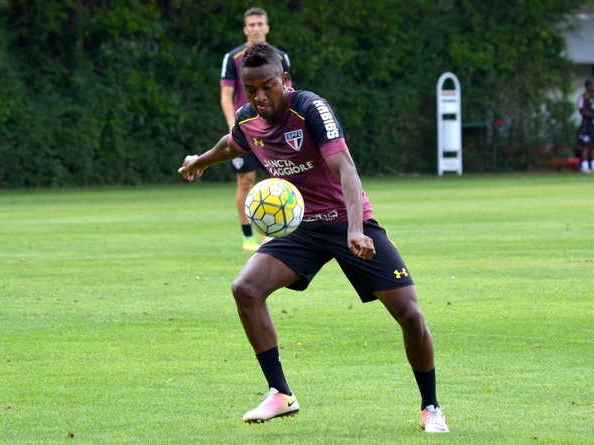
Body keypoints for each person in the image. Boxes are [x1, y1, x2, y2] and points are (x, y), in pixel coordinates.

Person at [180, 42, 449, 433]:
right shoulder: (246, 119)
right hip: (300, 227)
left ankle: (431, 406)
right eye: (251, 89)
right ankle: (280, 394)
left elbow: (347, 170)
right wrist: (200, 161)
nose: (259, 97)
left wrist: (355, 229)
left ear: (284, 81)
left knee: (409, 313)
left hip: (346, 221)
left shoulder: (309, 108)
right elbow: (231, 144)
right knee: (246, 288)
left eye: (268, 86)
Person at [220, 7, 293, 251]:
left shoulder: (280, 57)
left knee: (280, 180)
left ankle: (279, 232)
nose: (256, 28)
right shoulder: (233, 58)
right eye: (251, 24)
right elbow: (226, 94)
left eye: (260, 23)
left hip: (274, 131)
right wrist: (233, 125)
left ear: (267, 27)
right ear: (245, 29)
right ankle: (248, 236)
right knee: (245, 182)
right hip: (247, 128)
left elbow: (289, 92)